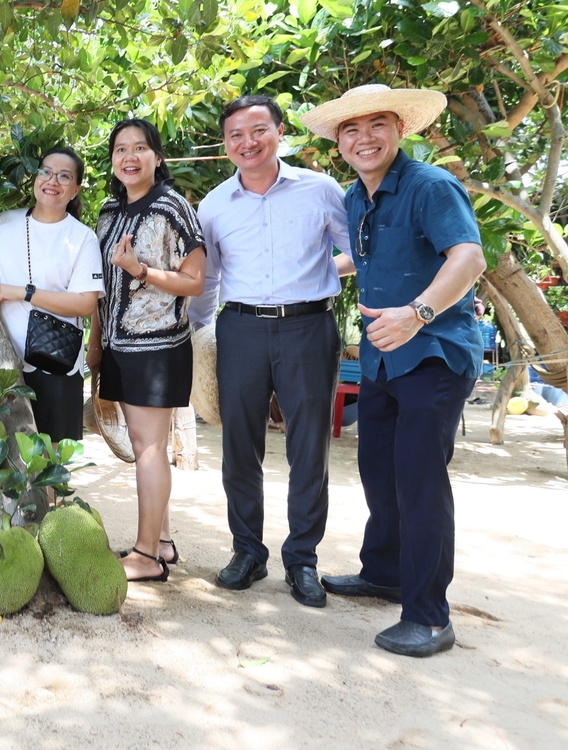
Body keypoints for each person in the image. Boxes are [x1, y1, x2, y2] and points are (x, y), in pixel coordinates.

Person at [304, 84, 486, 657]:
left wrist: (417, 313)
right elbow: (362, 259)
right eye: (351, 130)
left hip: (434, 353)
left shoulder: (431, 186)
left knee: (419, 480)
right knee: (378, 469)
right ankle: (384, 571)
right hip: (383, 357)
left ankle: (431, 615)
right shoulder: (358, 196)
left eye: (376, 125)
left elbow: (469, 257)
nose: (365, 138)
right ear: (339, 143)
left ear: (399, 129)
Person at [189, 95, 354, 607]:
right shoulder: (213, 204)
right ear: (226, 145)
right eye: (236, 135)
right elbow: (209, 276)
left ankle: (302, 559)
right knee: (240, 445)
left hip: (309, 328)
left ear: (279, 132)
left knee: (309, 444)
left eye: (258, 130)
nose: (248, 143)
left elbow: (358, 250)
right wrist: (201, 336)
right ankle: (247, 551)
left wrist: (326, 274)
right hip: (239, 329)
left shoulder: (321, 190)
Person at [85, 119, 206, 582]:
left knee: (150, 449)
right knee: (144, 449)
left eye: (140, 148)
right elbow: (98, 287)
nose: (129, 156)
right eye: (120, 148)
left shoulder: (173, 206)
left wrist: (141, 270)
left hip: (157, 346)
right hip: (118, 345)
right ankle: (164, 544)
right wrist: (96, 344)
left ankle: (145, 557)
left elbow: (196, 279)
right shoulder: (108, 212)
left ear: (158, 157)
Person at [0, 145, 103, 445]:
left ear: (76, 189)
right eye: (45, 171)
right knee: (3, 457)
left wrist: (24, 293)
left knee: (48, 458)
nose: (52, 181)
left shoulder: (82, 237)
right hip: (1, 358)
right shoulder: (2, 223)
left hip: (55, 362)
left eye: (63, 176)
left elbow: (85, 303)